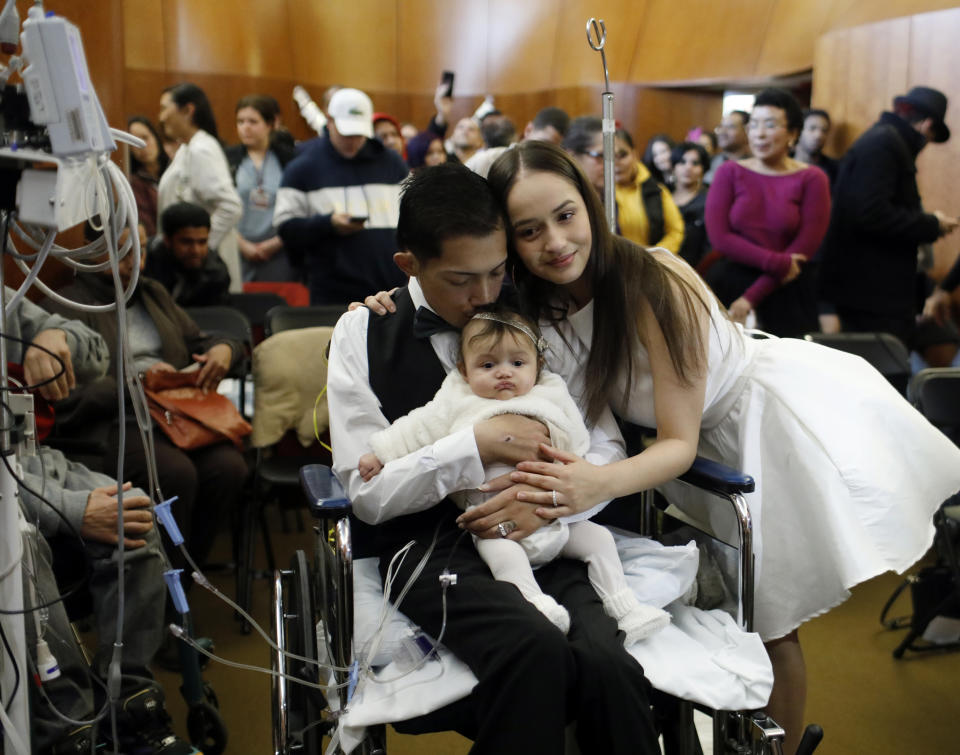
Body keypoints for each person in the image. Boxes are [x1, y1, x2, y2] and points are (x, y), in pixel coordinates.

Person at [470, 139, 960, 754]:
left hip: (760, 424)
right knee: (727, 616)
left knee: (770, 623)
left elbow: (678, 441)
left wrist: (591, 485)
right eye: (529, 230)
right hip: (692, 454)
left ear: (591, 204)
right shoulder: (544, 304)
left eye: (566, 215)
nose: (555, 241)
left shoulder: (649, 281)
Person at [327, 163, 660, 754]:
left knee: (609, 666)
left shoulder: (538, 321)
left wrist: (551, 494)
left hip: (551, 527)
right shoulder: (363, 334)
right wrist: (474, 446)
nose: (485, 295)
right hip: (430, 547)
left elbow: (603, 441)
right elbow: (366, 492)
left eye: (497, 271)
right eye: (461, 279)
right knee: (534, 650)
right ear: (409, 265)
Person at [357, 306, 669, 642]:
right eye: (488, 365)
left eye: (517, 363)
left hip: (555, 515)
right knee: (505, 560)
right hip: (494, 522)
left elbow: (577, 436)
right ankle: (533, 603)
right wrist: (382, 452)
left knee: (600, 540)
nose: (504, 373)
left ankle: (624, 607)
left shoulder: (550, 390)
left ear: (538, 366)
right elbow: (417, 428)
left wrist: (566, 465)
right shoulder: (456, 397)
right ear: (464, 369)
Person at [6, 289, 197, 754]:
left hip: (33, 458)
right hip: (9, 492)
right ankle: (67, 727)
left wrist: (55, 335)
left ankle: (127, 698)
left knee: (133, 512)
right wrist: (74, 513)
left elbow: (96, 351)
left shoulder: (7, 303)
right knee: (25, 549)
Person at [49, 223, 249, 573]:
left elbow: (196, 341)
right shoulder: (66, 304)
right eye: (125, 252)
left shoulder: (151, 293)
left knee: (229, 468)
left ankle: (185, 578)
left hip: (172, 415)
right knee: (176, 475)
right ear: (93, 255)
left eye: (141, 249)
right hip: (112, 424)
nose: (136, 262)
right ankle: (160, 587)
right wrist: (132, 387)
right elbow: (63, 399)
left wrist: (224, 349)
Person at [819, 86, 960, 352]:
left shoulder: (883, 139)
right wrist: (932, 224)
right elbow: (871, 213)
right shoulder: (885, 144)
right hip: (871, 293)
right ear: (927, 125)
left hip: (870, 291)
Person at [704, 88, 831, 335]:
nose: (759, 134)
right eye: (754, 125)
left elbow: (802, 251)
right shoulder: (729, 172)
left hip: (787, 291)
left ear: (793, 133)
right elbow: (720, 237)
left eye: (770, 125)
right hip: (729, 285)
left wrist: (751, 298)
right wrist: (777, 262)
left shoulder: (813, 178)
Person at [273, 87, 409, 305]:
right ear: (329, 122)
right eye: (346, 133)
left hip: (390, 290)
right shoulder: (303, 167)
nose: (352, 141)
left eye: (358, 134)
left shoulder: (393, 163)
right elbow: (285, 227)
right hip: (333, 295)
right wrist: (328, 224)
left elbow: (412, 217)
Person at [157, 82, 243, 291]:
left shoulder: (201, 150)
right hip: (190, 271)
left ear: (188, 110)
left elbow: (230, 207)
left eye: (165, 108)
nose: (161, 117)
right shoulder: (187, 149)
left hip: (205, 276)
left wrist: (198, 250)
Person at [225, 94, 298, 283]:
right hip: (238, 247)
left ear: (271, 123)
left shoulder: (288, 159)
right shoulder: (228, 158)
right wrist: (241, 244)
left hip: (278, 250)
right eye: (240, 121)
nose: (245, 127)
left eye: (253, 121)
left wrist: (277, 243)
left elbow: (299, 207)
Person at [145, 202, 231, 307]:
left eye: (202, 242)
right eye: (186, 242)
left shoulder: (216, 273)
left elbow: (218, 318)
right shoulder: (145, 264)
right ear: (167, 240)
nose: (196, 250)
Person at [613, 128, 684, 252]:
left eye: (622, 155)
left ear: (634, 154)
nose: (616, 163)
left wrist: (653, 256)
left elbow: (675, 231)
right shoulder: (596, 192)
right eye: (609, 156)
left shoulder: (656, 190)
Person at [670, 141, 711, 267]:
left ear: (703, 169)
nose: (688, 167)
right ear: (673, 167)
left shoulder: (709, 201)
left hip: (694, 271)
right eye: (682, 162)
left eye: (695, 163)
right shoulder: (661, 195)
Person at [126, 115, 169, 236]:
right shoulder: (134, 183)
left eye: (145, 137)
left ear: (155, 137)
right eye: (134, 142)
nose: (142, 146)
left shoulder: (174, 167)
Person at [793, 108, 839, 186]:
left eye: (824, 130)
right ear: (798, 131)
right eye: (812, 128)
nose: (819, 135)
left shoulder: (835, 170)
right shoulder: (780, 165)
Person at [704, 110, 750, 184]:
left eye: (731, 127)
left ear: (747, 131)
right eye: (721, 127)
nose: (722, 132)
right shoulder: (710, 163)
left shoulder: (757, 166)